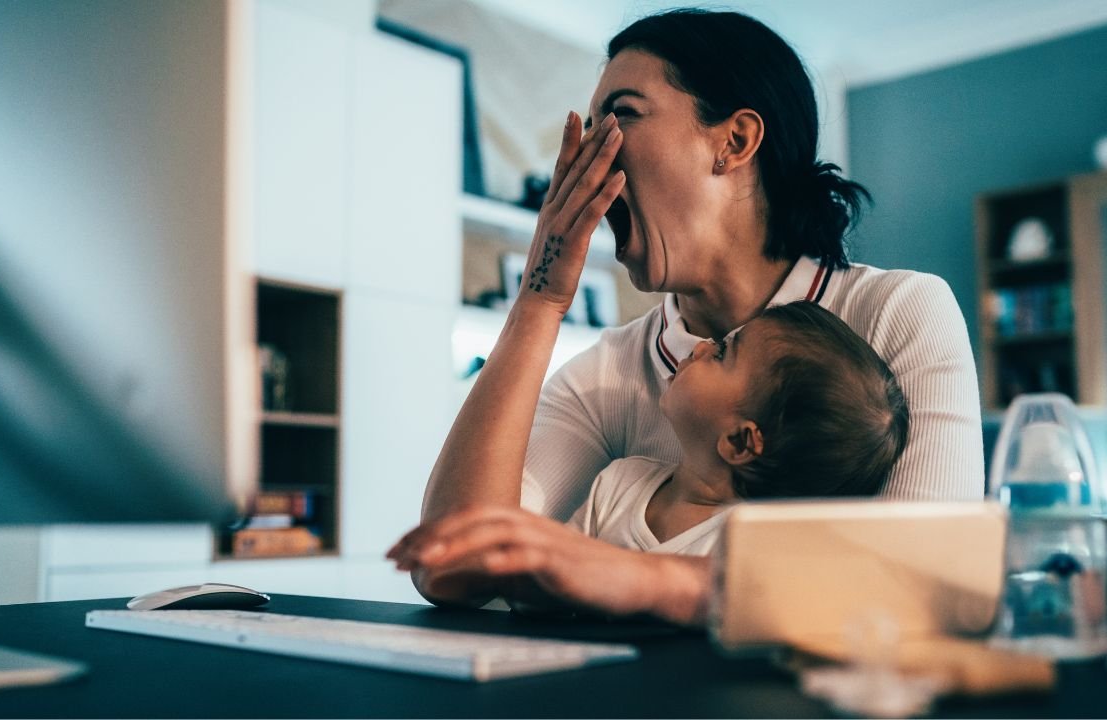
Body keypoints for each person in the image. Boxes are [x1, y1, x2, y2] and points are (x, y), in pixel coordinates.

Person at [388, 9, 983, 624]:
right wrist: (539, 301)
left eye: (620, 115)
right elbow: (449, 566)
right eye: (589, 126)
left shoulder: (899, 311)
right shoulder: (606, 375)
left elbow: (931, 583)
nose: (589, 154)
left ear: (734, 141)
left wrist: (642, 579)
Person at [570, 300, 909, 555]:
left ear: (739, 442)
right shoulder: (616, 484)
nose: (701, 346)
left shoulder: (753, 551)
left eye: (720, 355)